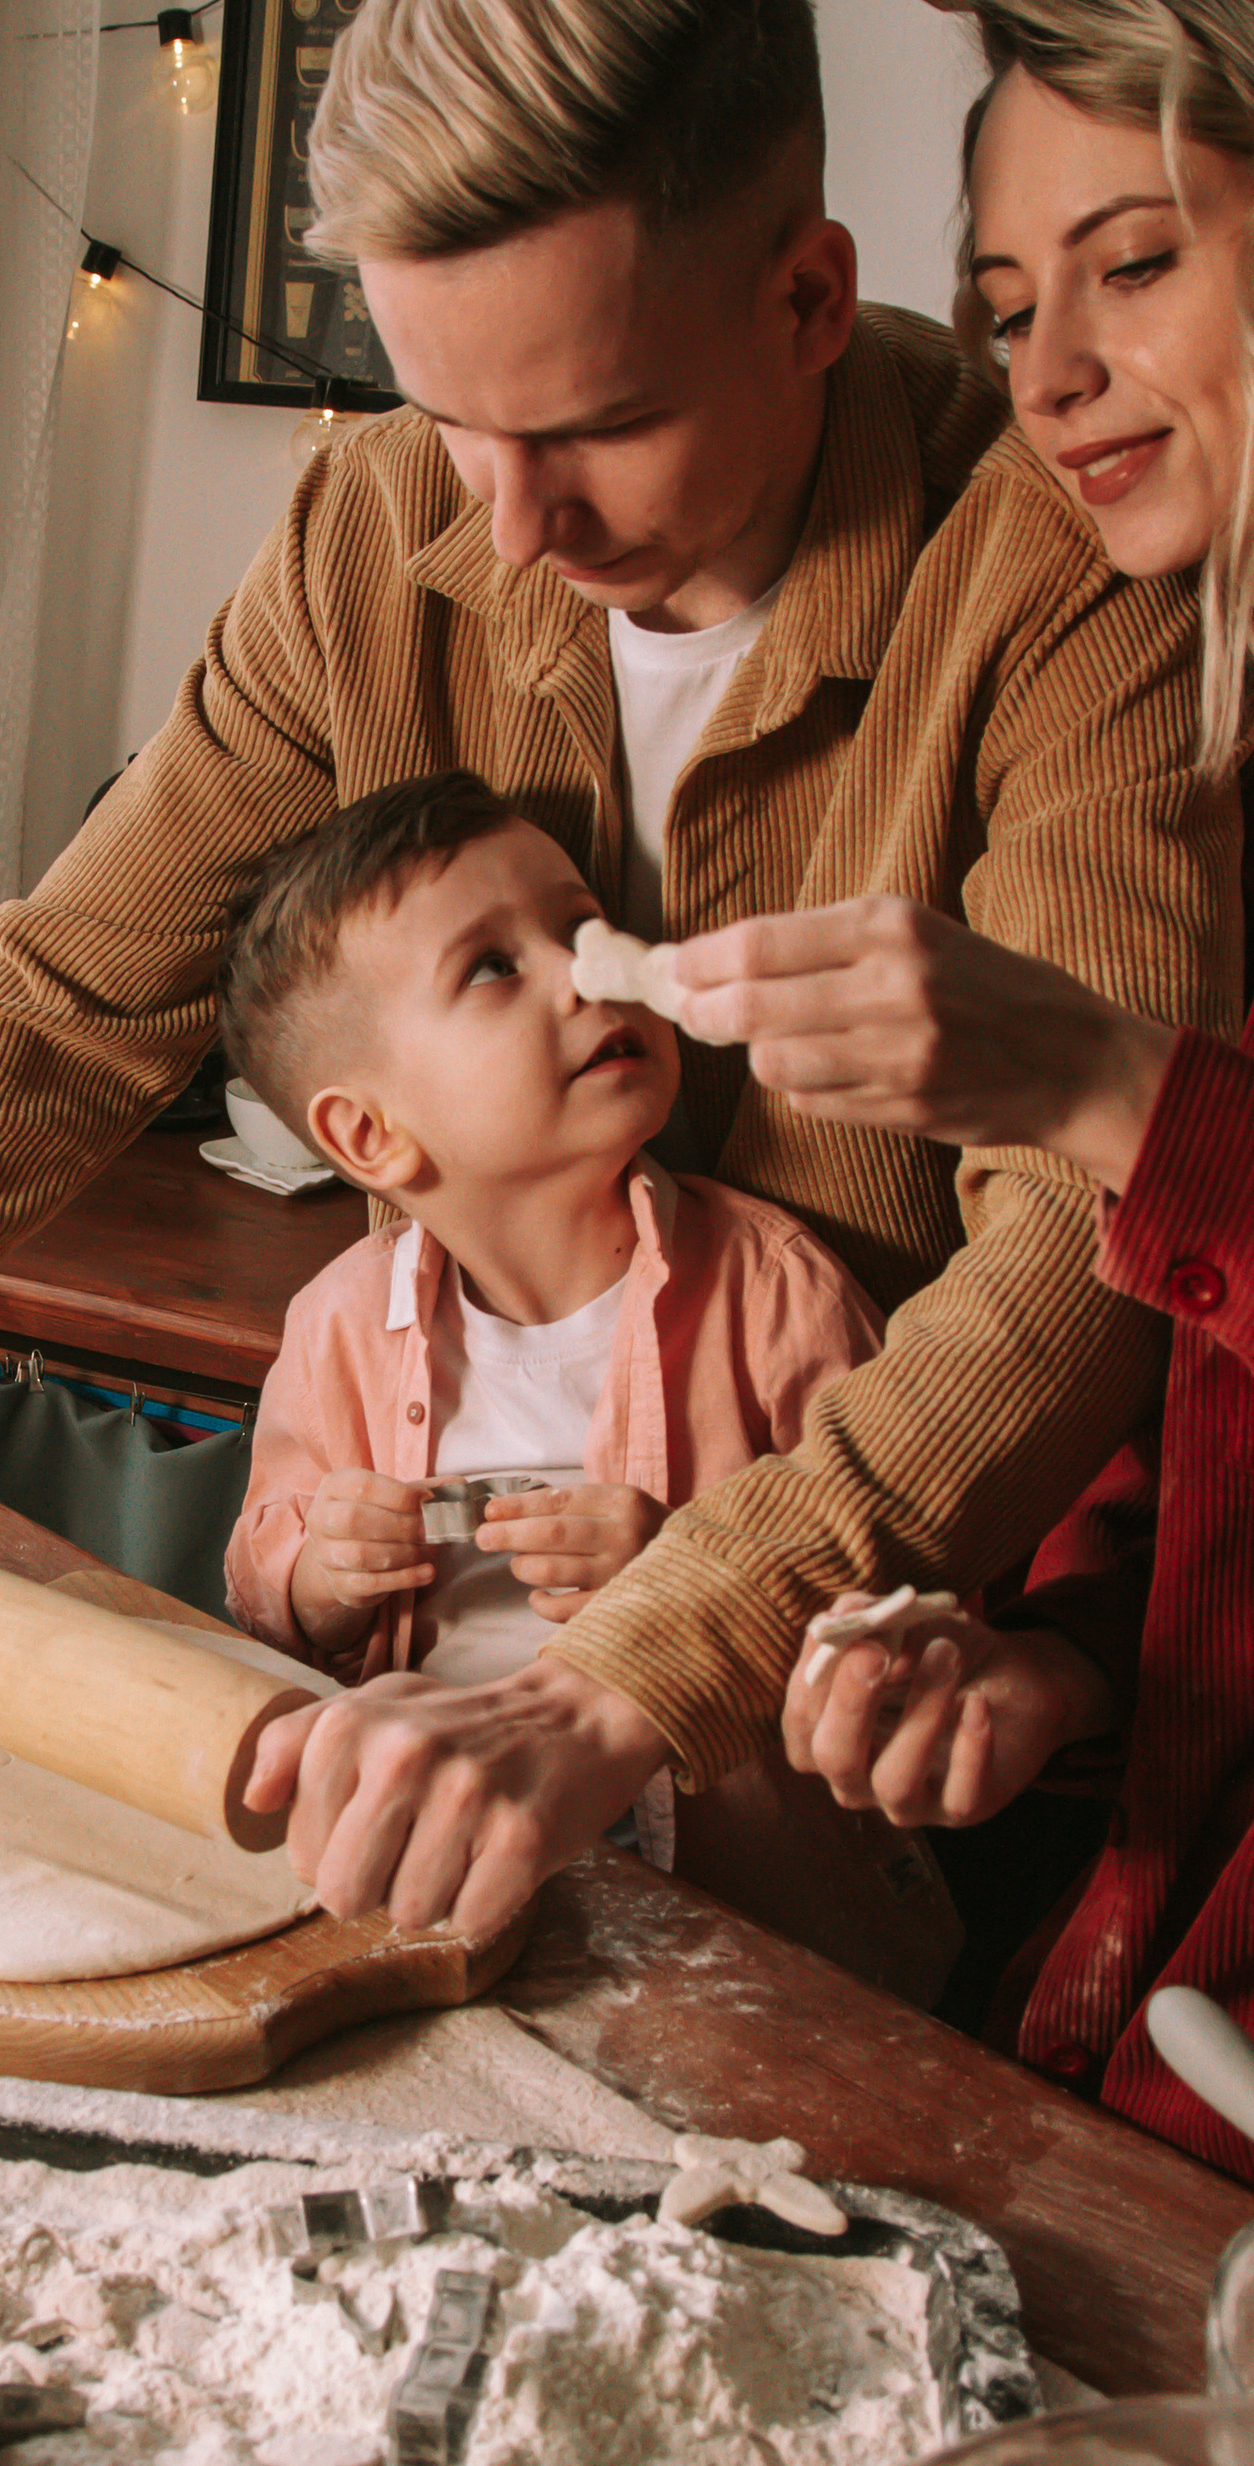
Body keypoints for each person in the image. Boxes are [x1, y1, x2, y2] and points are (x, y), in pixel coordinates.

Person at [0, 0, 1241, 1947]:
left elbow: (1087, 1223)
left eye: (590, 427)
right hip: (495, 1771)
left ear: (806, 295)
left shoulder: (1064, 561)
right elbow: (57, 1003)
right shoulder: (372, 531)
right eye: (446, 413)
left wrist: (636, 1661)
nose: (510, 524)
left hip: (888, 1776)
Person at [662, 0, 1254, 2180]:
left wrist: (1107, 1091)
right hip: (1196, 1971)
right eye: (1010, 297)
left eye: (1130, 264)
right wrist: (1057, 1664)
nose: (1048, 373)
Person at [218, 775, 975, 1990]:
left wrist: (680, 1570)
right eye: (491, 968)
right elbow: (261, 1588)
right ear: (370, 1137)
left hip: (757, 1943)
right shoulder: (337, 1326)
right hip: (445, 1919)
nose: (591, 975)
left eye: (583, 930)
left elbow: (915, 1631)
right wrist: (315, 1576)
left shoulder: (779, 1293)